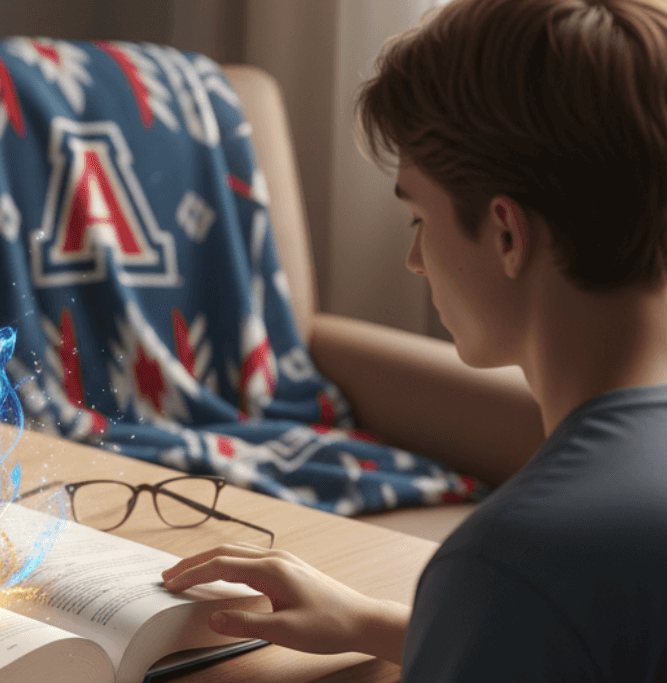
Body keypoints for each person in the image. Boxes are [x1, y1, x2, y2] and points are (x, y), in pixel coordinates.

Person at [161, 0, 667, 679]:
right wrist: (374, 623)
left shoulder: (516, 562)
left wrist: (470, 605)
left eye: (417, 219)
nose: (415, 260)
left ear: (506, 234)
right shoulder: (549, 576)